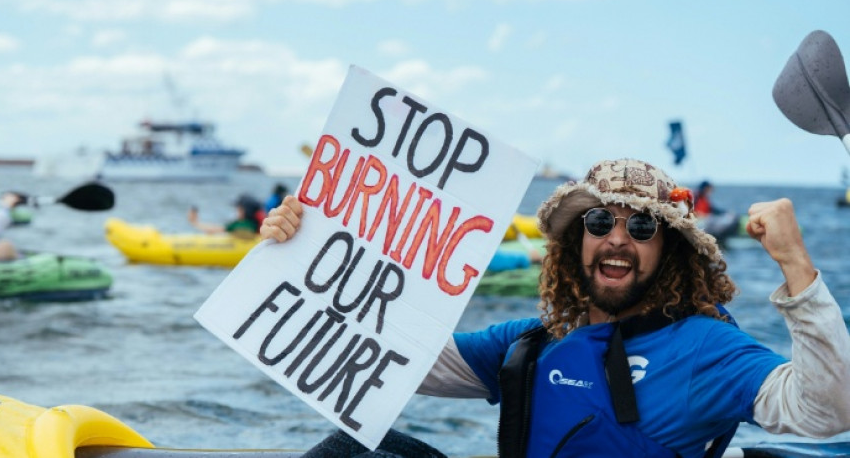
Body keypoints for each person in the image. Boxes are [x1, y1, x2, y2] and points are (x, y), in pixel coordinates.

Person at [260, 158, 850, 458]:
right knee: (350, 448)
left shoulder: (708, 348)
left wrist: (796, 266)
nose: (617, 239)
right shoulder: (533, 342)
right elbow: (378, 352)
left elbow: (828, 411)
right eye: (599, 221)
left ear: (667, 250)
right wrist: (298, 250)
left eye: (642, 227)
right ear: (576, 241)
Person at [187, 194, 261, 236]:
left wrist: (194, 223)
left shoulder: (240, 225)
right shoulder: (255, 224)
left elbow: (215, 229)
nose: (237, 211)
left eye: (239, 209)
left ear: (245, 211)